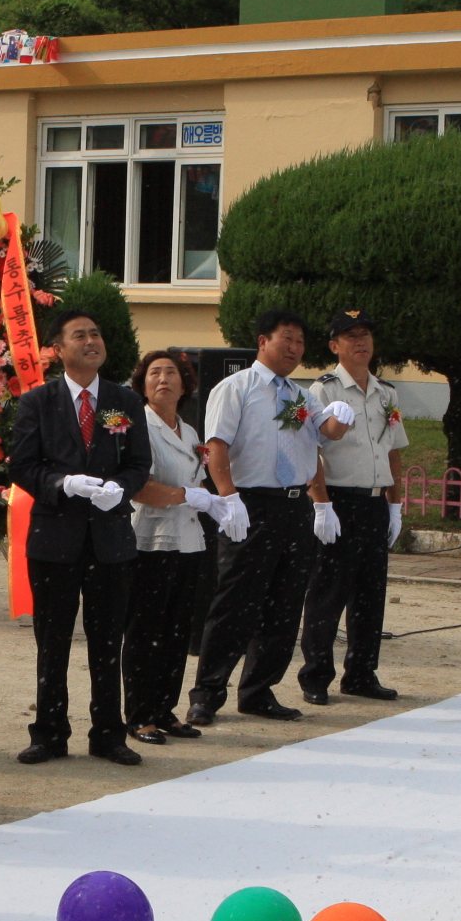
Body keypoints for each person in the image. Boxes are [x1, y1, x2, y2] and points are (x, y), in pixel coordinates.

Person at [8, 309, 153, 767]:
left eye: (96, 333)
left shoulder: (123, 401)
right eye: (80, 335)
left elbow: (138, 462)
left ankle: (109, 733)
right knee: (52, 641)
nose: (91, 341)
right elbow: (23, 465)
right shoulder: (38, 402)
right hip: (55, 539)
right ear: (58, 349)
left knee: (108, 641)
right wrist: (63, 484)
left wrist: (121, 490)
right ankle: (49, 733)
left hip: (110, 541)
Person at [186, 308, 339, 727]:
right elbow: (216, 445)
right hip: (250, 504)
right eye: (286, 339)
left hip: (294, 506)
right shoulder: (236, 388)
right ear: (262, 342)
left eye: (300, 342)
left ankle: (258, 690)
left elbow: (316, 447)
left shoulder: (303, 396)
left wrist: (321, 503)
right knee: (236, 602)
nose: (294, 349)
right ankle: (207, 693)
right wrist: (228, 498)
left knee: (285, 603)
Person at [299, 310, 410, 705]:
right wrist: (322, 505)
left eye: (365, 335)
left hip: (375, 501)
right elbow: (310, 449)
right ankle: (316, 675)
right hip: (340, 500)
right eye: (351, 337)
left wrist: (395, 505)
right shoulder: (323, 391)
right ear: (334, 346)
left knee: (370, 593)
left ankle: (361, 673)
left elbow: (393, 450)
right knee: (327, 593)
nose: (361, 342)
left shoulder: (386, 393)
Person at [124, 348, 221, 745]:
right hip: (151, 540)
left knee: (178, 630)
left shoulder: (191, 431)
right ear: (142, 384)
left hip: (188, 541)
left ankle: (165, 708)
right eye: (154, 373)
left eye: (171, 373)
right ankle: (139, 713)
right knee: (146, 629)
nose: (163, 379)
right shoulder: (136, 426)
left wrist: (208, 499)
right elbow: (141, 487)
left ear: (185, 384)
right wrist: (188, 495)